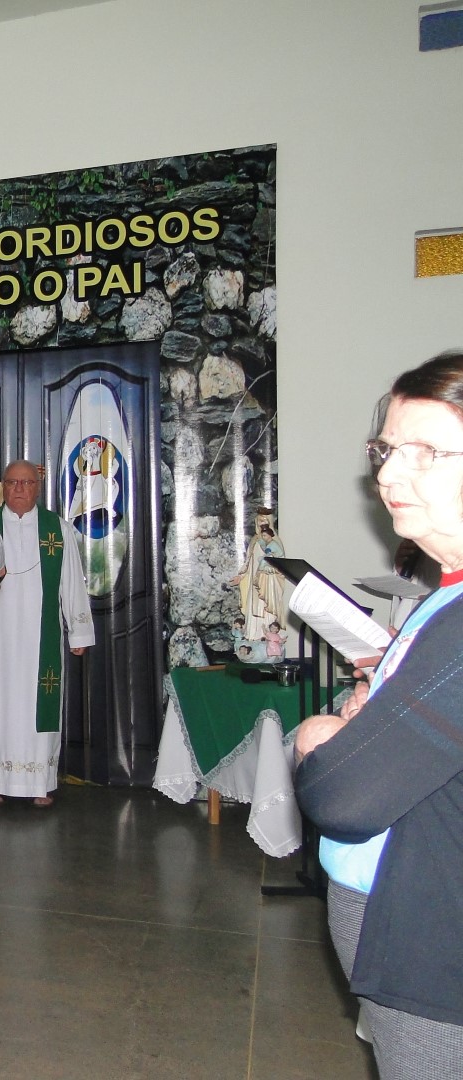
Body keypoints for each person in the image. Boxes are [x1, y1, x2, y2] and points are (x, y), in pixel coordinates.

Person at [294, 350, 463, 1079]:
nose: (389, 475)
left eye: (426, 452)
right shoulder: (446, 595)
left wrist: (319, 737)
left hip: (435, 956)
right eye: (386, 450)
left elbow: (344, 795)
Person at [0, 460, 93, 808]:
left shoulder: (57, 528)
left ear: (37, 487)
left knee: (40, 705)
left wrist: (79, 632)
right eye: (12, 482)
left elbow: (71, 581)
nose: (19, 489)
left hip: (42, 636)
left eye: (26, 483)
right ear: (3, 486)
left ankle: (40, 782)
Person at [228, 509, 286, 640]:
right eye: (259, 521)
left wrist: (271, 569)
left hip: (268, 581)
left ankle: (268, 637)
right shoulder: (255, 540)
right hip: (254, 581)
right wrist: (241, 576)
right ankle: (253, 636)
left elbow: (281, 562)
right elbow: (249, 562)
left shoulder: (275, 542)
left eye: (264, 521)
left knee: (266, 609)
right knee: (253, 608)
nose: (262, 523)